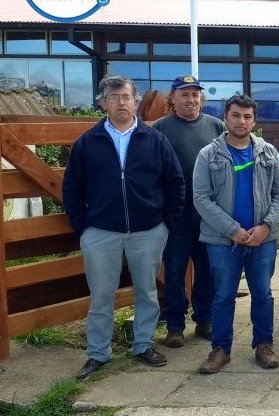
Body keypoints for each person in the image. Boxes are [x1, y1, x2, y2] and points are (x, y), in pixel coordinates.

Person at [63, 75, 185, 380]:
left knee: (145, 290)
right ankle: (98, 353)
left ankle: (143, 345)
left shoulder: (154, 139)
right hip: (101, 232)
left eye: (126, 97)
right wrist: (84, 229)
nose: (121, 102)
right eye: (114, 97)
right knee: (101, 295)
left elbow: (175, 182)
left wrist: (165, 224)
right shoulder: (88, 142)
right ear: (103, 103)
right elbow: (73, 188)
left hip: (148, 231)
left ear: (135, 101)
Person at [192, 95, 279, 374]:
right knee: (223, 295)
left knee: (263, 293)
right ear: (226, 117)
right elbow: (201, 198)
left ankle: (263, 345)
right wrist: (232, 229)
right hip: (223, 241)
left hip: (263, 240)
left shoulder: (268, 152)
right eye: (236, 115)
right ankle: (220, 350)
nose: (241, 121)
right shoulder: (208, 154)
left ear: (254, 121)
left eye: (247, 116)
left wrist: (267, 226)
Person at [152, 75, 225, 348]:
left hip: (208, 216)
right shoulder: (160, 128)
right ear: (172, 98)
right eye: (184, 94)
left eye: (195, 94)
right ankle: (174, 325)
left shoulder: (216, 126)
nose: (191, 99)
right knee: (174, 270)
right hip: (176, 216)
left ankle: (205, 319)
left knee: (207, 271)